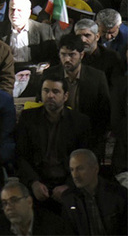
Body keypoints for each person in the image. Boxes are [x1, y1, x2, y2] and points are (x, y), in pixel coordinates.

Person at [16, 74, 92, 206]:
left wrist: (68, 185)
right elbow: (20, 155)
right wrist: (33, 182)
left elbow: (84, 159)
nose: (50, 95)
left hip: (68, 182)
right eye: (46, 91)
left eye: (55, 91)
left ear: (65, 96)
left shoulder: (80, 122)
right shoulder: (28, 118)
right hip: (37, 181)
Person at [45, 34, 111, 148]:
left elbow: (104, 113)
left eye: (72, 55)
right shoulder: (49, 75)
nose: (67, 59)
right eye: (63, 54)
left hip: (87, 136)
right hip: (55, 135)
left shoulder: (97, 77)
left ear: (81, 55)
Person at [61, 149, 128, 236]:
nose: (75, 175)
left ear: (95, 168)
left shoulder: (119, 195)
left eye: (80, 168)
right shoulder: (69, 199)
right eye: (72, 170)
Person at [0, 181, 71, 236]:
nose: (8, 207)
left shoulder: (53, 226)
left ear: (29, 201)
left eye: (14, 200)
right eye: (4, 203)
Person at [0, 0, 58, 65]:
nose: (15, 13)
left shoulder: (44, 30)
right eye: (12, 9)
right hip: (8, 72)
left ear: (29, 13)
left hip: (34, 72)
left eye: (19, 10)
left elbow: (53, 58)